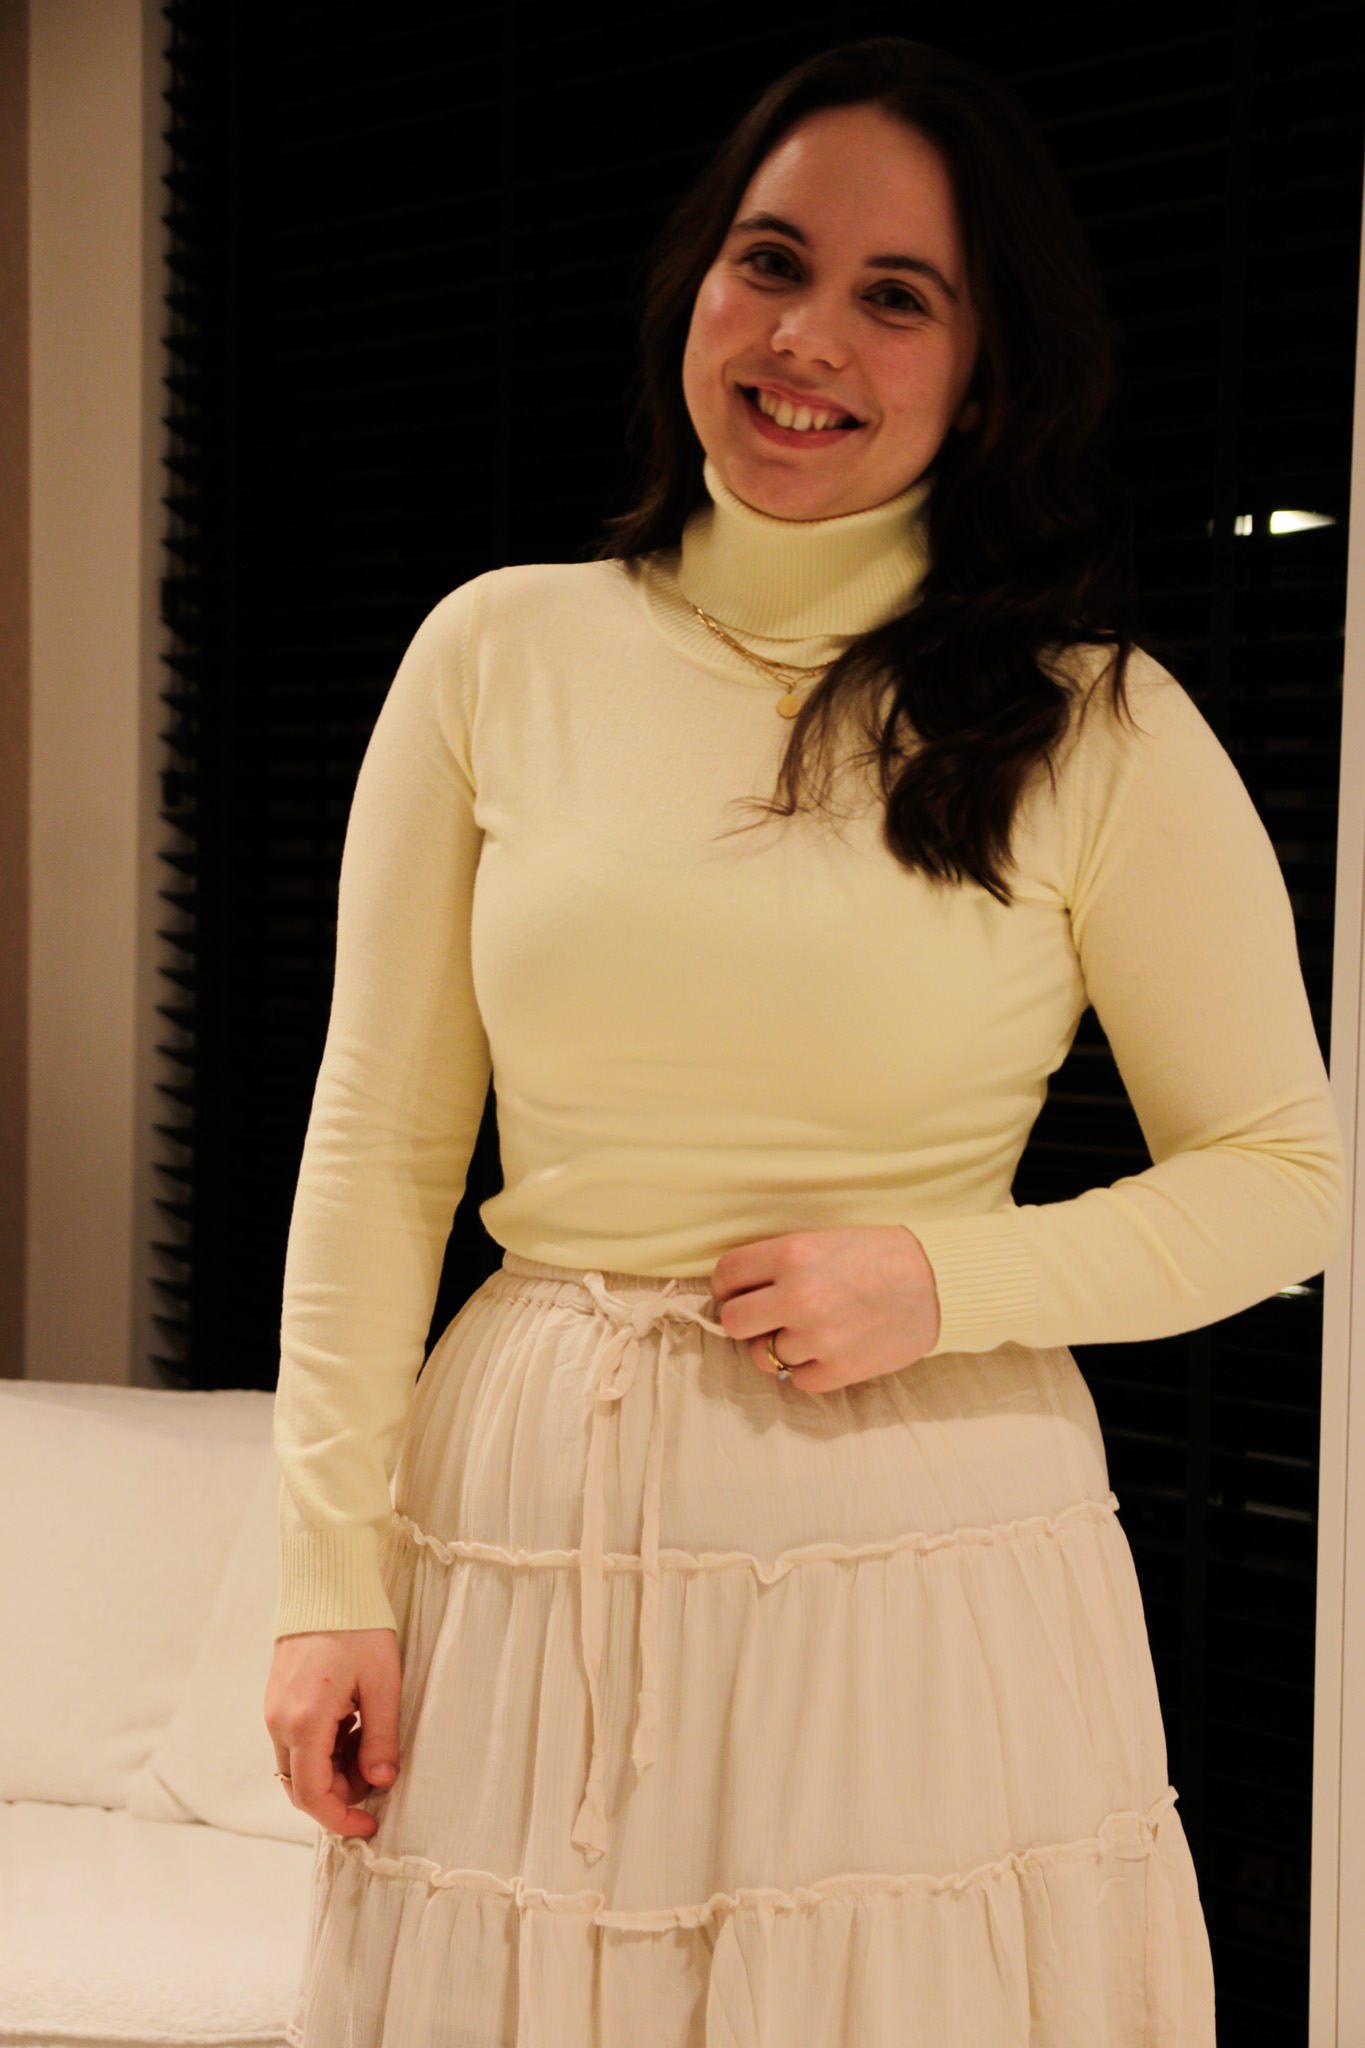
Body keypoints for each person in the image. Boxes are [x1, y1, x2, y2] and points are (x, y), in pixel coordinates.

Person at [264, 35, 1344, 2047]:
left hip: (919, 1537)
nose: (804, 337)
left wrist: (944, 1277)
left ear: (983, 366)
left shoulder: (1093, 723)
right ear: (695, 279)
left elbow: (1292, 1177)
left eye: (894, 295)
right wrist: (324, 1576)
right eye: (770, 261)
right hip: (522, 1517)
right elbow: (378, 1142)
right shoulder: (494, 651)